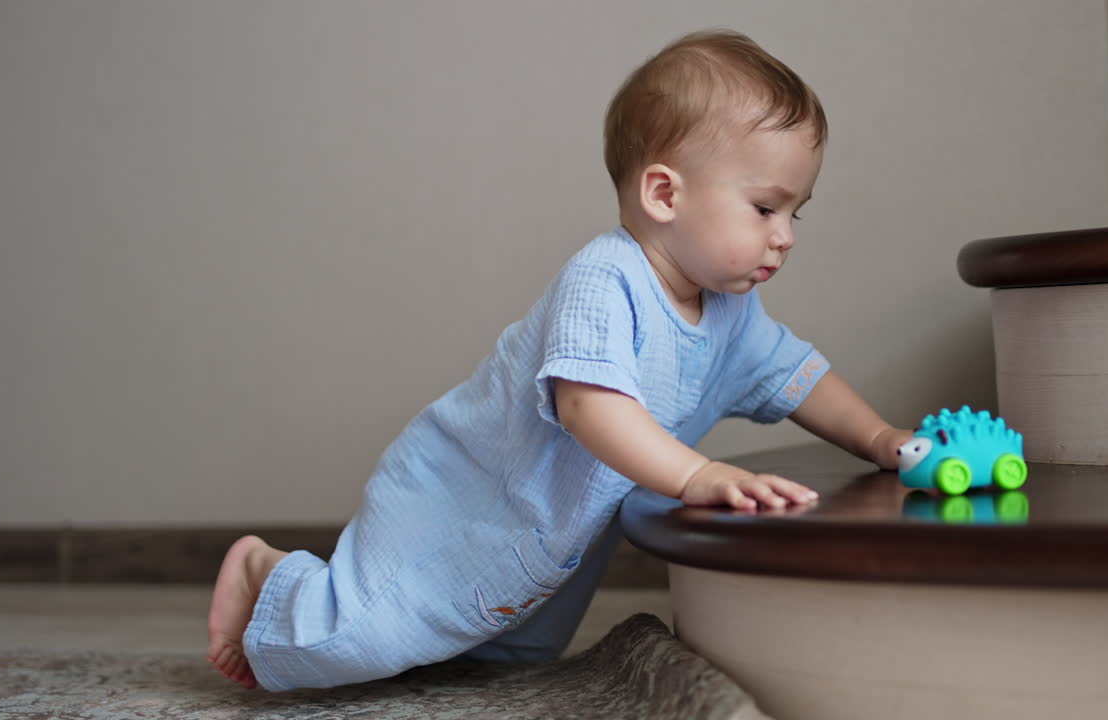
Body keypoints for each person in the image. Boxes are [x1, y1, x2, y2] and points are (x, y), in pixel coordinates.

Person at [208, 28, 913, 692]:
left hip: (547, 543)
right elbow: (588, 405)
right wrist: (695, 474)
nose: (785, 236)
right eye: (766, 209)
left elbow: (797, 377)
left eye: (797, 214)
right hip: (462, 504)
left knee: (508, 659)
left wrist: (880, 439)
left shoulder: (731, 311)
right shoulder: (604, 282)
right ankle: (267, 577)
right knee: (352, 636)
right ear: (665, 193)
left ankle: (457, 645)